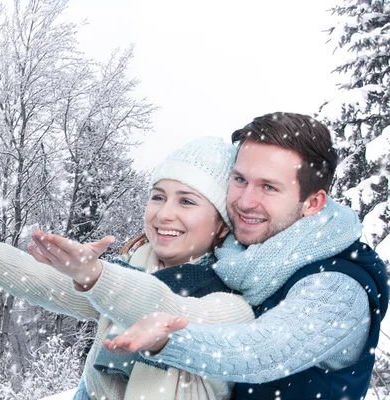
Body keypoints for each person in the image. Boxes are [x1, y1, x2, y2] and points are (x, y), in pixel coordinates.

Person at [0, 137, 257, 399]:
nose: (164, 213)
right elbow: (35, 278)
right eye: (158, 196)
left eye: (187, 201)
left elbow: (176, 313)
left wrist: (97, 278)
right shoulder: (126, 275)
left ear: (221, 221)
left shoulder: (231, 303)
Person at [99, 112, 388, 400]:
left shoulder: (338, 287)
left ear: (312, 203)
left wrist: (167, 340)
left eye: (268, 187)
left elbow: (263, 349)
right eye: (240, 180)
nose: (245, 202)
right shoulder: (241, 260)